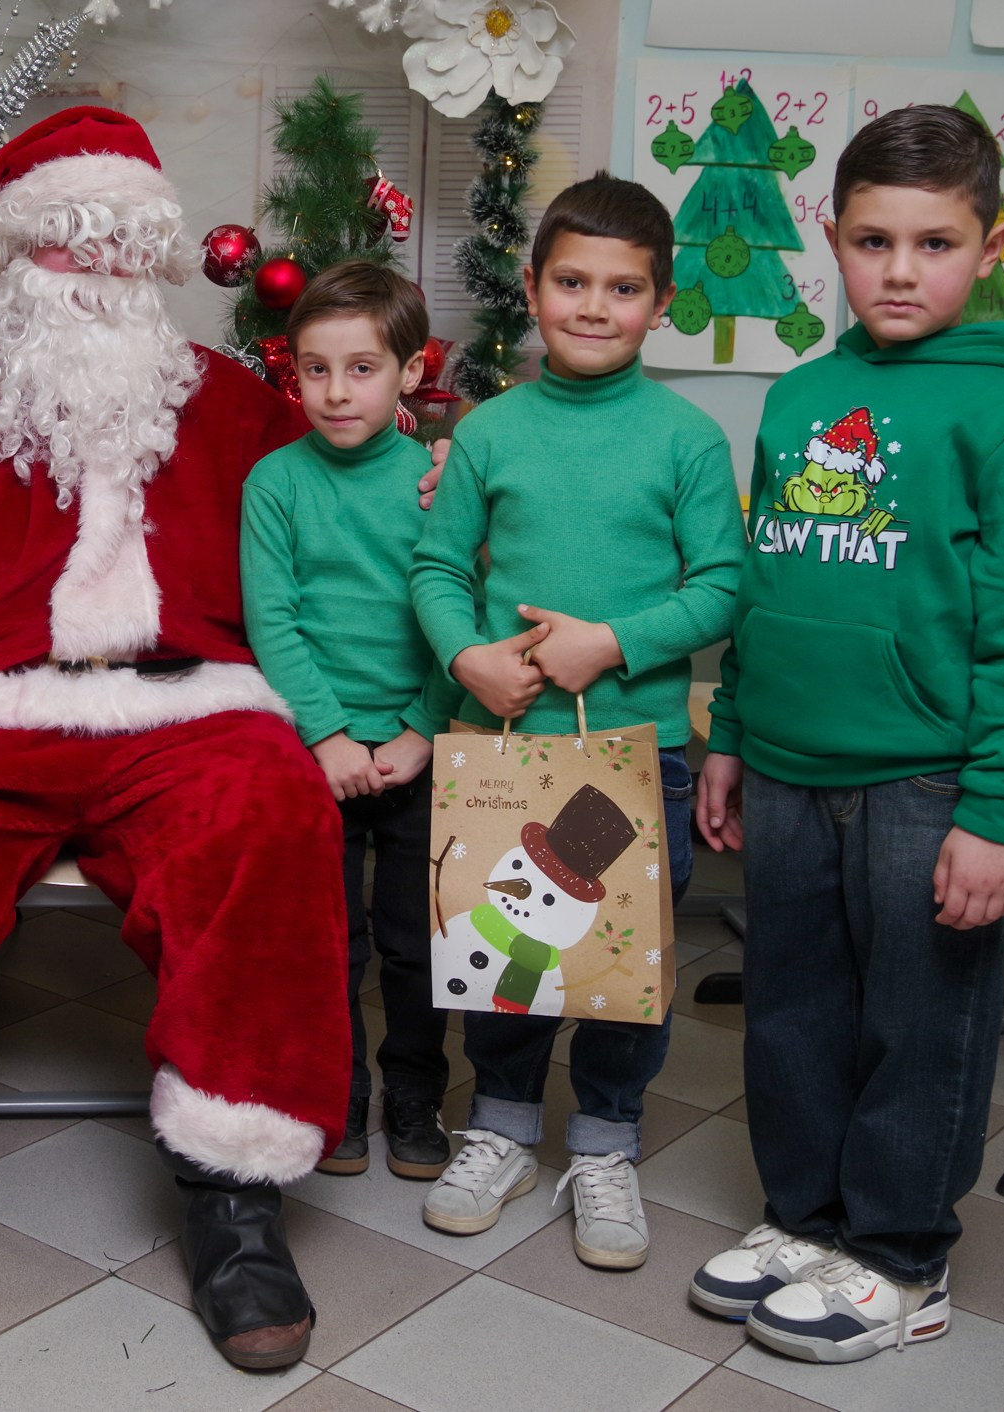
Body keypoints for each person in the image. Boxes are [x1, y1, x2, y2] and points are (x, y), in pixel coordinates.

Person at [0, 107, 349, 1373]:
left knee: (270, 813)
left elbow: (326, 546)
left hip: (188, 709)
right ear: (10, 260)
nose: (93, 276)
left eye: (115, 249)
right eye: (65, 247)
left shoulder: (237, 407)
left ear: (149, 260)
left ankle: (233, 1200)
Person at [689, 104, 1004, 1362]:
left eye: (934, 243)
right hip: (789, 768)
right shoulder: (800, 398)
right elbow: (769, 582)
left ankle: (901, 1258)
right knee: (793, 1009)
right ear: (831, 238)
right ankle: (806, 1219)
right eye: (871, 240)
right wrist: (734, 732)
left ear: (990, 243)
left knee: (921, 1022)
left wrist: (996, 809)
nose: (899, 271)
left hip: (924, 780)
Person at [411, 173, 743, 1270]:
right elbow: (434, 566)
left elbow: (721, 587)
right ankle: (501, 1125)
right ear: (532, 285)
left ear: (661, 301)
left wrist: (613, 641)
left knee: (621, 965)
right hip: (504, 750)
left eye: (622, 288)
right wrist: (466, 655)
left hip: (637, 755)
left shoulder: (687, 441)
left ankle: (604, 1143)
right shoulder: (491, 431)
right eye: (571, 283)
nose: (593, 307)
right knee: (498, 948)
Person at [239, 261, 454, 1182]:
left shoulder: (440, 484)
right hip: (313, 752)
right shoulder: (274, 483)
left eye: (362, 368)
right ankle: (341, 1093)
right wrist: (326, 736)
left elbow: (462, 613)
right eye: (315, 370)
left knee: (416, 944)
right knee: (330, 943)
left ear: (411, 371)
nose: (335, 392)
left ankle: (414, 1089)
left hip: (419, 748)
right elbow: (273, 619)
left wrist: (420, 731)